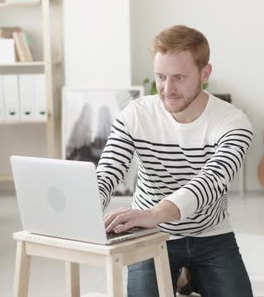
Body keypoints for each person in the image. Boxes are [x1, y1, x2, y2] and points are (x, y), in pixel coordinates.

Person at [98, 25, 254, 297]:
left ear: (205, 74)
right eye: (161, 77)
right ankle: (182, 277)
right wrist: (86, 211)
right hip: (151, 235)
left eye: (179, 78)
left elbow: (211, 181)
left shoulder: (233, 122)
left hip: (210, 234)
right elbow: (108, 171)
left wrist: (153, 214)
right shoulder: (135, 114)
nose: (167, 89)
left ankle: (187, 276)